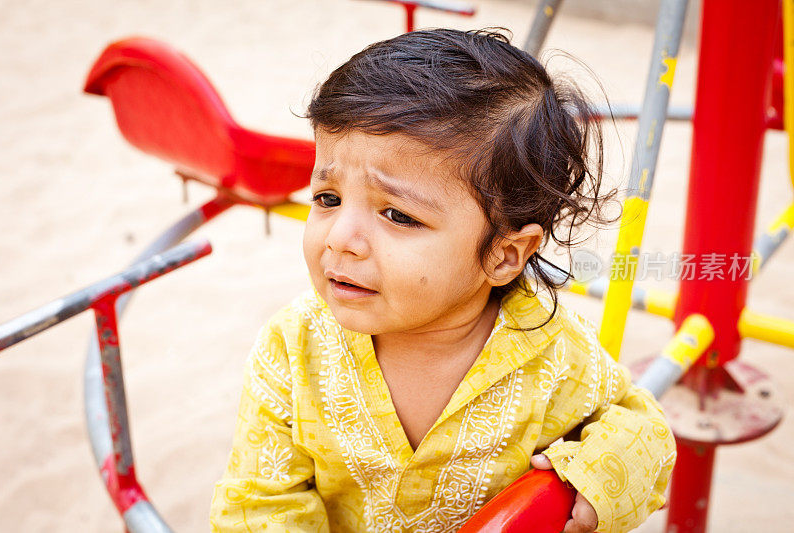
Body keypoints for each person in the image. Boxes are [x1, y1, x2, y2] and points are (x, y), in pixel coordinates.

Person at [210, 28, 676, 533]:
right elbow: (258, 505)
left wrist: (593, 482)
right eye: (327, 198)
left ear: (504, 255)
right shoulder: (293, 349)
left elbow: (643, 432)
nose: (341, 238)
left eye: (397, 215)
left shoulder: (550, 355)